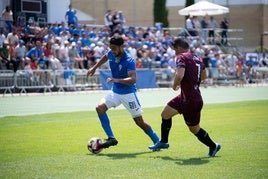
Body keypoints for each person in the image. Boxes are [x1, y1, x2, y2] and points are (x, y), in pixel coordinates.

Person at [149, 38, 221, 157]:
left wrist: (175, 85)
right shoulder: (198, 58)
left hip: (190, 100)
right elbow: (204, 77)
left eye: (174, 50)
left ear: (178, 48)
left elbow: (180, 74)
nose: (175, 52)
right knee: (165, 114)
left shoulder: (181, 57)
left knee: (194, 129)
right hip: (190, 96)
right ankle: (163, 141)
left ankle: (213, 146)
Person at [86, 35, 159, 149]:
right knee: (99, 108)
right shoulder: (111, 53)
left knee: (139, 122)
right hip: (115, 92)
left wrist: (116, 80)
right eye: (110, 47)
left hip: (128, 94)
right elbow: (105, 57)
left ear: (121, 47)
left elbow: (133, 79)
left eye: (114, 48)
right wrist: (94, 67)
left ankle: (157, 140)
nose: (112, 50)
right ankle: (111, 138)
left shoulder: (129, 60)